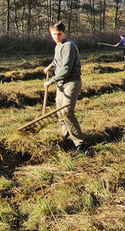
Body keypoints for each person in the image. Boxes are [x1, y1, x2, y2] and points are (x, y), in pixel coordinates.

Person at [43, 21, 86, 152]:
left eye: (58, 34)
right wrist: (50, 66)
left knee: (67, 111)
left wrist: (51, 81)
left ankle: (79, 143)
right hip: (61, 83)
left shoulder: (69, 45)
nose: (56, 37)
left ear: (64, 33)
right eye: (53, 34)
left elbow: (66, 68)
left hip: (71, 81)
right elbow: (57, 60)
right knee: (60, 112)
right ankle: (67, 139)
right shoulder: (58, 45)